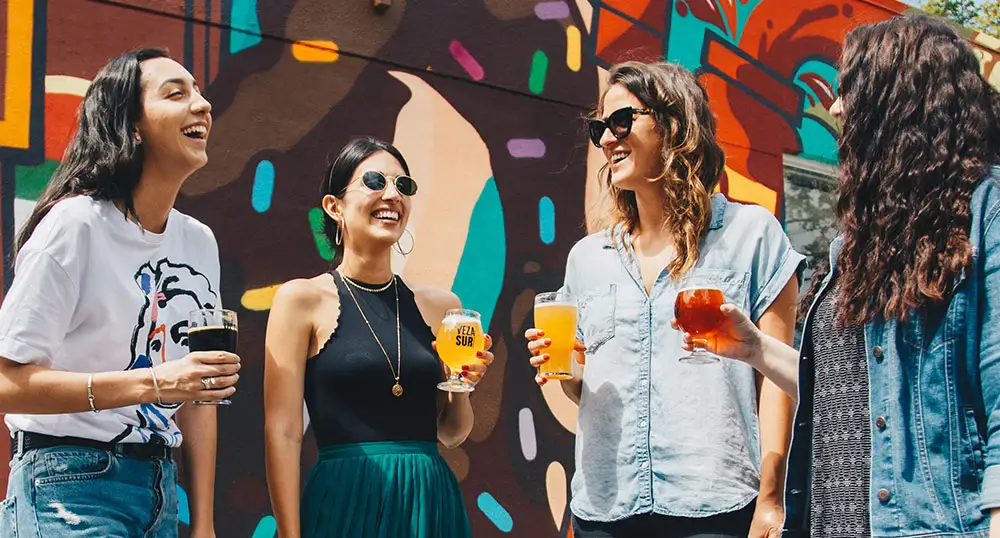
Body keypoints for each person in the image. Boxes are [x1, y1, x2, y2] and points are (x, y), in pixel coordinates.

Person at [675, 14, 1000, 538]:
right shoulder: (856, 245)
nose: (836, 107)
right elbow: (839, 393)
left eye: (851, 89)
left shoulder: (984, 213)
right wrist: (755, 349)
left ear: (901, 99)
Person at [525, 60, 805, 537]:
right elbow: (583, 390)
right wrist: (569, 374)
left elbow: (776, 380)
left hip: (716, 509)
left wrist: (771, 498)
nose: (608, 139)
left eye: (621, 121)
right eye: (599, 128)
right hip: (605, 510)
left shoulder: (751, 235)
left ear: (675, 123)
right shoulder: (587, 258)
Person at [0, 48, 239, 537]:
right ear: (131, 125)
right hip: (67, 485)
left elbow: (197, 397)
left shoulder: (198, 241)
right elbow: (7, 382)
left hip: (160, 490)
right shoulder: (75, 225)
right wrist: (154, 383)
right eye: (177, 93)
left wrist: (206, 524)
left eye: (199, 91)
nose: (202, 104)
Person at [263, 137, 493, 538]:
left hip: (429, 501)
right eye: (374, 181)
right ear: (334, 207)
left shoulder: (444, 306)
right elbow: (281, 432)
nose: (392, 194)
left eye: (403, 186)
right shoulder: (299, 300)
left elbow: (452, 433)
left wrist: (464, 387)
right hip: (345, 499)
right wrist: (288, 533)